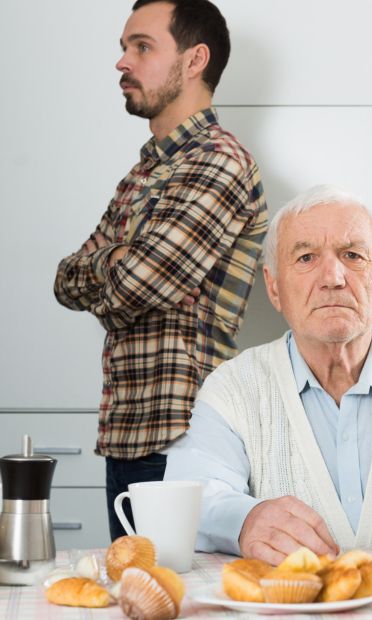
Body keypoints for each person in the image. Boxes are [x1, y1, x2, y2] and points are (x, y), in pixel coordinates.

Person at [164, 185, 372, 564]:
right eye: (306, 257)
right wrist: (246, 521)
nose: (333, 277)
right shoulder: (231, 390)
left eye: (353, 255)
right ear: (274, 287)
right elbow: (191, 498)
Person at [53, 0, 268, 541]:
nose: (122, 62)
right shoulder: (144, 172)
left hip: (184, 442)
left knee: (179, 588)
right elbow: (65, 280)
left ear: (195, 60)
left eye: (142, 47)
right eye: (125, 47)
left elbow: (137, 284)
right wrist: (117, 265)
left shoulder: (219, 161)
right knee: (135, 585)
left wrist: (113, 266)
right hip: (127, 436)